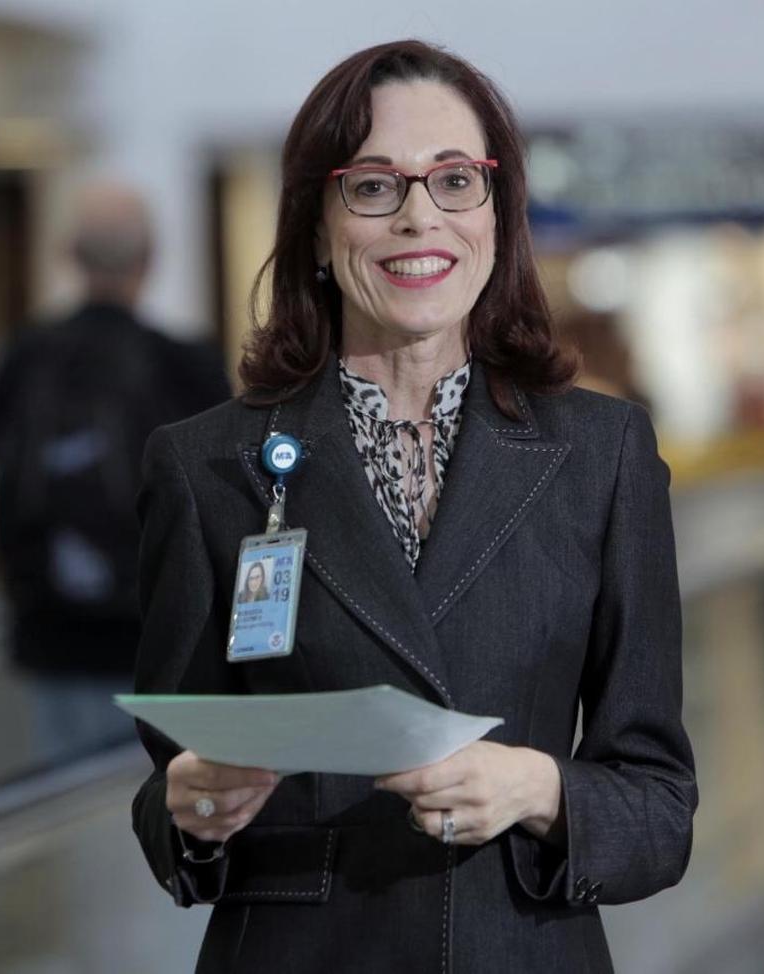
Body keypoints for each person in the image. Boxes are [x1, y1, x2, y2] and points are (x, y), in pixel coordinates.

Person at [130, 40, 697, 972]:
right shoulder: (207, 467)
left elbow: (660, 809)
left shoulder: (603, 456)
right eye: (373, 186)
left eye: (454, 181)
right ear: (316, 223)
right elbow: (169, 798)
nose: (418, 218)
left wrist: (539, 786)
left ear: (498, 211)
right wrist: (192, 810)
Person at [0, 181, 231, 760]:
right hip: (160, 633)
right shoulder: (184, 362)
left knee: (61, 794)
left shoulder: (28, 353)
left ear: (69, 255)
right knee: (159, 796)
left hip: (52, 631)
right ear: (150, 259)